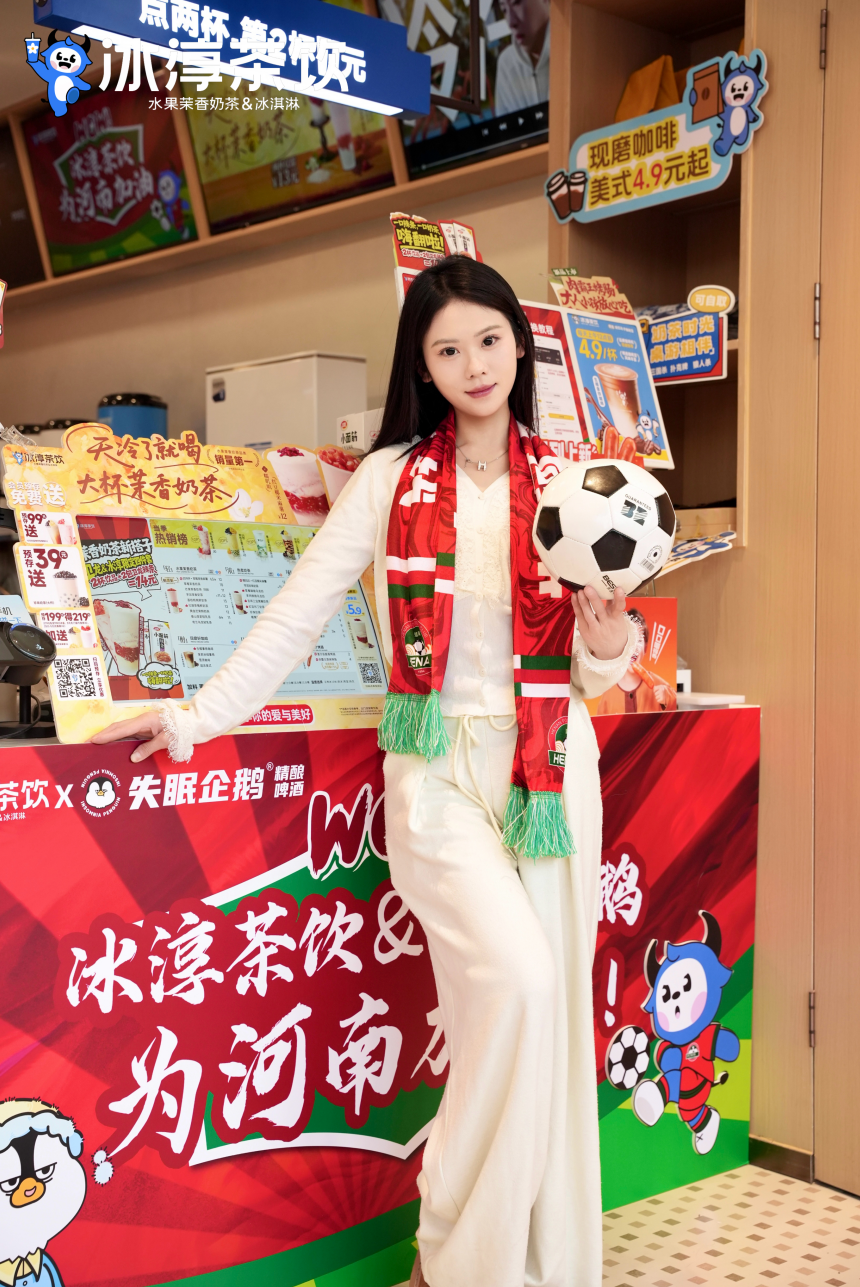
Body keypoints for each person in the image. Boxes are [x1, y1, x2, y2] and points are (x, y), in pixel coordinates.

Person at [93, 256, 637, 1287]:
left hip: (549, 775)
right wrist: (195, 717)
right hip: (435, 773)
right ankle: (453, 1255)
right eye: (447, 349)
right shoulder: (390, 479)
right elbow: (296, 613)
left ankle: (519, 1265)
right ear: (422, 367)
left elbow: (595, 671)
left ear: (517, 344)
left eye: (488, 340)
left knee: (534, 1025)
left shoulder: (573, 484)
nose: (473, 365)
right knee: (518, 988)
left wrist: (607, 633)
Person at [596, 607, 677, 715]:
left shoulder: (661, 686)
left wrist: (668, 698)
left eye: (638, 640)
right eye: (628, 640)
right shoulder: (608, 694)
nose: (633, 647)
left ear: (645, 648)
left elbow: (678, 712)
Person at [494, 0, 550, 117]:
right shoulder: (506, 65)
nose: (511, 22)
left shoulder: (577, 44)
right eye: (504, 10)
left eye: (516, 3)